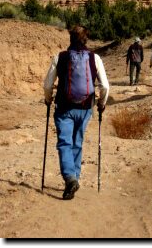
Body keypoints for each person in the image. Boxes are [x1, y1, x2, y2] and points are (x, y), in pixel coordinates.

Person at [44, 25, 109, 200]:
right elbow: (105, 86)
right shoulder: (94, 58)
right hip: (85, 108)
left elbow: (48, 85)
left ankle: (70, 179)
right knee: (77, 143)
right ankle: (75, 179)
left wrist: (48, 99)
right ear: (86, 39)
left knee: (65, 143)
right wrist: (101, 104)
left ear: (70, 38)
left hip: (64, 108)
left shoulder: (60, 57)